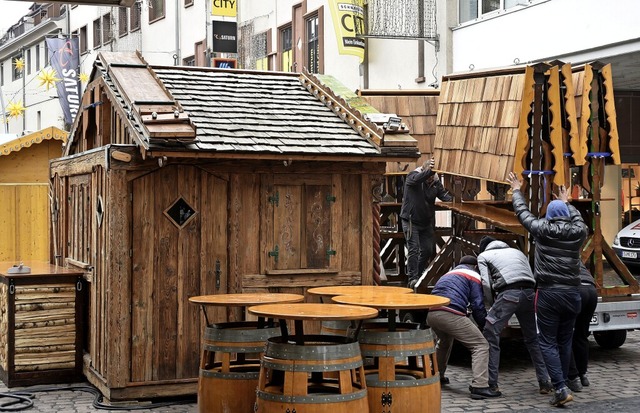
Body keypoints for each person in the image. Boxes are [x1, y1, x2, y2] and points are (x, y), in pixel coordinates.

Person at [506, 172, 588, 407]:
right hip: (573, 292)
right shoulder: (578, 232)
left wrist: (517, 191)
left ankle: (560, 387)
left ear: (550, 216)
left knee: (547, 342)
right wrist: (567, 204)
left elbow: (522, 215)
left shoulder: (543, 229)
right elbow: (579, 220)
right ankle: (563, 382)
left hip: (549, 293)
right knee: (564, 340)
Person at [477, 235, 553, 395]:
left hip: (508, 293)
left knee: (490, 333)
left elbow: (485, 282)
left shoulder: (483, 256)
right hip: (529, 293)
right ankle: (545, 381)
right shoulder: (518, 253)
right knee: (533, 339)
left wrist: (491, 305)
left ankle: (491, 383)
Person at [426, 255, 501, 400]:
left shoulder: (449, 274)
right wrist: (484, 326)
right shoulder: (473, 275)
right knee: (480, 345)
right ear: (476, 267)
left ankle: (437, 375)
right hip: (450, 313)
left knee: (444, 341)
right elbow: (478, 305)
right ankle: (480, 386)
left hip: (432, 313)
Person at [400, 157, 453, 289]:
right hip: (411, 220)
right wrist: (429, 172)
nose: (430, 179)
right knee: (413, 249)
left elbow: (445, 197)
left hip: (426, 222)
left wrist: (457, 202)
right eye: (429, 175)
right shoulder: (412, 177)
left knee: (428, 249)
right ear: (424, 171)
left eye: (433, 176)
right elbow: (418, 179)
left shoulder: (435, 182)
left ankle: (418, 274)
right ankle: (412, 279)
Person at [566, 262, 598, 393]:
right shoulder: (572, 253)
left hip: (577, 289)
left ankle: (572, 376)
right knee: (582, 335)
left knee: (566, 336)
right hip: (591, 290)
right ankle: (583, 375)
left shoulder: (554, 254)